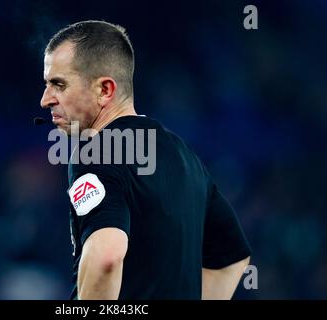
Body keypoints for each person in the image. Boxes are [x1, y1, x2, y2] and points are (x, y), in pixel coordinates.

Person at [39, 20, 251, 300]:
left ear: (104, 90)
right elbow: (231, 259)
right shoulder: (185, 156)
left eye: (59, 85)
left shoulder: (96, 149)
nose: (45, 100)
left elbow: (106, 257)